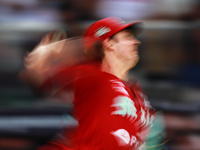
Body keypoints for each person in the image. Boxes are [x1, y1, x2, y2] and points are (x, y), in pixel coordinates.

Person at [20, 17, 155, 150]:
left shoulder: (136, 91)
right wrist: (46, 50)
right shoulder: (91, 75)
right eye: (127, 37)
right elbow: (33, 73)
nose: (136, 42)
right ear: (109, 44)